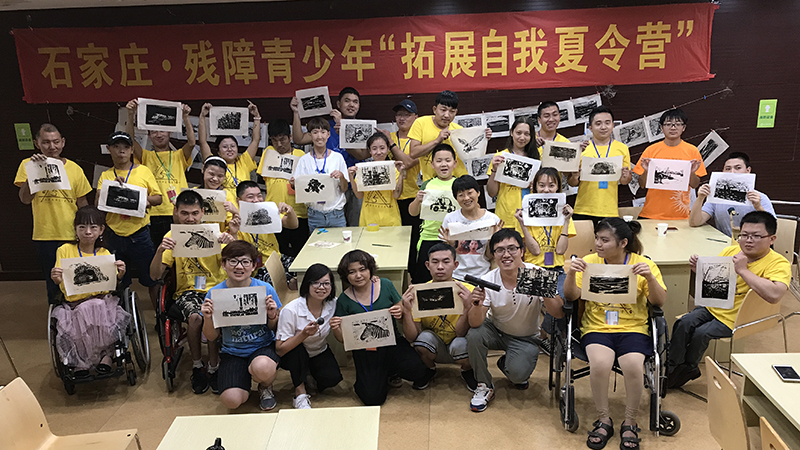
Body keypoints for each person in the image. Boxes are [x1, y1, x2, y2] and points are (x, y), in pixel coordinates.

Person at [564, 218, 667, 450]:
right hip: (597, 327)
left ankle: (630, 422)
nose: (598, 244)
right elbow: (571, 296)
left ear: (623, 243)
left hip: (633, 328)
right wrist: (571, 274)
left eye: (604, 240)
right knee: (600, 364)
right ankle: (604, 419)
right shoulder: (589, 262)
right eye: (597, 239)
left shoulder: (643, 264)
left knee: (633, 365)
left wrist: (650, 278)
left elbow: (659, 302)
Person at [668, 211, 790, 389]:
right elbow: (716, 281)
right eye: (744, 235)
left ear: (772, 239)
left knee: (701, 333)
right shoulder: (731, 251)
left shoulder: (779, 263)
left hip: (741, 317)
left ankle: (688, 369)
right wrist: (700, 270)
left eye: (756, 236)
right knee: (684, 323)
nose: (748, 241)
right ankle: (673, 367)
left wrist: (743, 270)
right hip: (715, 306)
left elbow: (775, 295)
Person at [466, 229, 561, 412]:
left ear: (522, 251)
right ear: (493, 255)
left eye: (512, 248)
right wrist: (476, 304)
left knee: (518, 376)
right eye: (500, 250)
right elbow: (475, 323)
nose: (506, 254)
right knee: (474, 335)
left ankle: (507, 363)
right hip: (495, 330)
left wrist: (545, 291)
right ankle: (484, 385)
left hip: (526, 337)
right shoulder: (488, 279)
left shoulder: (537, 273)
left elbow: (558, 313)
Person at [150, 190, 234, 394]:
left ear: (203, 212)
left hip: (216, 288)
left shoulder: (215, 233)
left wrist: (231, 242)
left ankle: (214, 366)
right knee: (196, 318)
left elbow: (235, 263)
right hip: (187, 291)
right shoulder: (171, 237)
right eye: (185, 213)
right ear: (176, 212)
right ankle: (197, 366)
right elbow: (155, 275)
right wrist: (160, 250)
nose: (190, 218)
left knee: (212, 315)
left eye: (195, 213)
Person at [331, 250, 429, 406]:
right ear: (345, 275)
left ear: (370, 269)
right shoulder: (344, 299)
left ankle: (390, 372)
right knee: (372, 398)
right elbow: (343, 340)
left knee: (418, 370)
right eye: (352, 272)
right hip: (365, 350)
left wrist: (401, 311)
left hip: (392, 342)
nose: (358, 275)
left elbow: (401, 312)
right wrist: (336, 328)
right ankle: (379, 376)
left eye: (362, 269)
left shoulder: (386, 284)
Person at [15, 123, 92, 304]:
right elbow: (25, 199)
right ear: (37, 144)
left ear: (63, 142)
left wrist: (89, 231)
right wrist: (35, 170)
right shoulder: (28, 165)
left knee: (78, 281)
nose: (52, 146)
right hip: (45, 235)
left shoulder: (75, 168)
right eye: (46, 142)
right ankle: (58, 318)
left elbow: (82, 204)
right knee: (54, 284)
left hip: (73, 235)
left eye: (56, 142)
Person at [201, 241, 282, 410]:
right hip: (232, 351)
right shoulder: (214, 293)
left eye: (245, 262)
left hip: (262, 346)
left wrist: (272, 315)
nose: (239, 267)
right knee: (231, 400)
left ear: (253, 266)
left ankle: (265, 386)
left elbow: (274, 328)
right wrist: (208, 318)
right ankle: (242, 379)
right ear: (223, 264)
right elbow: (211, 336)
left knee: (262, 367)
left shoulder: (265, 289)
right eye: (233, 261)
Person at [50, 206, 128, 377]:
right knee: (82, 315)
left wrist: (120, 274)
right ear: (75, 229)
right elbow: (59, 280)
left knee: (98, 308)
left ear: (101, 230)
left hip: (102, 301)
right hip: (75, 303)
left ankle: (106, 356)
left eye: (93, 227)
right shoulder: (64, 250)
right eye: (82, 227)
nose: (87, 232)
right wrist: (55, 277)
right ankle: (80, 362)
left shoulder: (104, 253)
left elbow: (112, 283)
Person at [96, 132, 162, 309]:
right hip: (114, 235)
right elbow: (98, 204)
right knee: (118, 280)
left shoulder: (143, 171)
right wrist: (112, 189)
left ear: (132, 150)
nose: (121, 151)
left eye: (125, 147)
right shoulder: (106, 175)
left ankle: (158, 315)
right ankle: (122, 315)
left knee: (152, 279)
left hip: (139, 234)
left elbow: (158, 198)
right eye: (116, 147)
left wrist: (142, 200)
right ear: (109, 149)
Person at [399, 243, 478, 391]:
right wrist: (407, 311)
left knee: (462, 343)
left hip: (459, 344)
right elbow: (411, 337)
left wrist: (468, 307)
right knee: (422, 340)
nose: (440, 267)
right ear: (427, 265)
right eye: (435, 262)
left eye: (446, 262)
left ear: (455, 265)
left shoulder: (469, 291)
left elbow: (460, 333)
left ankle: (467, 370)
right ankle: (429, 369)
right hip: (434, 344)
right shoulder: (419, 292)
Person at [515, 167, 576, 348]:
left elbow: (560, 250)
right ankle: (550, 335)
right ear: (534, 187)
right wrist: (523, 224)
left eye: (551, 185)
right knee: (550, 297)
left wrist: (566, 221)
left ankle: (545, 333)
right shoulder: (525, 213)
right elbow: (534, 251)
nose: (546, 190)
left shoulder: (564, 214)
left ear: (558, 188)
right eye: (541, 185)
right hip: (532, 269)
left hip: (557, 270)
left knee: (565, 298)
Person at [292, 87, 369, 226]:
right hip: (330, 187)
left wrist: (343, 130)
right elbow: (299, 139)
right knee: (333, 225)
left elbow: (362, 154)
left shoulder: (361, 128)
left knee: (355, 225)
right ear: (338, 104)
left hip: (355, 184)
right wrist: (296, 113)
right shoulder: (326, 127)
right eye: (347, 101)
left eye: (355, 102)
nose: (351, 105)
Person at [126, 99, 196, 244]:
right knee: (157, 251)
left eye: (162, 131)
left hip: (178, 211)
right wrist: (130, 114)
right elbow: (130, 141)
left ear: (170, 132)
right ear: (149, 136)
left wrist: (186, 117)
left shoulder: (179, 155)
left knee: (179, 250)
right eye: (154, 132)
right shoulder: (146, 156)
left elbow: (191, 142)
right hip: (153, 213)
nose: (159, 134)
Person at [275, 263, 343, 409]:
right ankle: (300, 393)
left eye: (326, 283)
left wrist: (372, 280)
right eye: (316, 283)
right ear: (307, 284)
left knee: (332, 379)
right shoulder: (291, 310)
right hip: (293, 353)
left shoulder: (334, 303)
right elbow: (280, 350)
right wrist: (303, 334)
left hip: (318, 350)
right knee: (297, 351)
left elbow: (351, 297)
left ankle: (309, 374)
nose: (321, 287)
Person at [633, 108, 707, 220]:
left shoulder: (692, 151)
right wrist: (647, 171)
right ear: (661, 128)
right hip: (651, 213)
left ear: (683, 128)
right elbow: (642, 185)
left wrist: (691, 172)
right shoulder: (651, 150)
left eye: (677, 124)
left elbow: (694, 185)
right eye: (668, 124)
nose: (673, 127)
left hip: (680, 215)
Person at [408, 90, 491, 182]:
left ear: (456, 112)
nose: (447, 115)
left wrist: (483, 138)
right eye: (443, 110)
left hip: (457, 181)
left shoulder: (458, 130)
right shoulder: (421, 123)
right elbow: (413, 153)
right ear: (435, 109)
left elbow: (471, 152)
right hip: (432, 182)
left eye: (452, 111)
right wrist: (437, 141)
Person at [688, 152, 776, 237]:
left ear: (748, 170)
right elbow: (694, 222)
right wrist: (700, 198)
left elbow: (773, 228)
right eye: (728, 169)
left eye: (738, 168)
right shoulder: (715, 197)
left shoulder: (760, 198)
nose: (732, 172)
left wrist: (758, 207)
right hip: (724, 244)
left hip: (751, 244)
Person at [230, 180, 298, 289]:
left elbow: (293, 225)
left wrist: (290, 212)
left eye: (259, 196)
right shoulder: (235, 220)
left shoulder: (267, 212)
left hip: (276, 259)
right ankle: (289, 282)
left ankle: (290, 281)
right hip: (256, 268)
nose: (256, 200)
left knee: (303, 268)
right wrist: (233, 232)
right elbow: (235, 252)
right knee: (268, 280)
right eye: (250, 197)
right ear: (239, 200)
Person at [256, 119, 309, 256]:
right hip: (273, 212)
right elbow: (262, 176)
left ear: (290, 137)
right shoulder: (268, 151)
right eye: (274, 140)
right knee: (277, 252)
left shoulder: (301, 155)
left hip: (298, 212)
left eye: (282, 139)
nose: (279, 144)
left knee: (301, 252)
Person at [571, 107, 632, 224]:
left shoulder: (622, 148)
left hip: (609, 210)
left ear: (613, 125)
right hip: (583, 209)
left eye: (607, 123)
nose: (603, 127)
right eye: (598, 123)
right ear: (590, 128)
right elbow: (572, 182)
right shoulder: (582, 149)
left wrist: (626, 176)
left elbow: (624, 182)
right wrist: (574, 176)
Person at [409, 144, 458, 283]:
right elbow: (413, 213)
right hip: (428, 237)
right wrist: (417, 200)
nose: (444, 164)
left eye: (448, 160)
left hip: (453, 238)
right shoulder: (427, 185)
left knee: (450, 279)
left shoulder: (459, 185)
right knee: (425, 280)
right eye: (439, 161)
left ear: (454, 163)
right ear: (432, 164)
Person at [292, 117, 349, 232]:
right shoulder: (304, 160)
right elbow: (298, 188)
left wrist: (342, 176)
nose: (319, 136)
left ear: (328, 134)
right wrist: (294, 184)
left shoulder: (337, 157)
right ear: (309, 135)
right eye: (315, 132)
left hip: (336, 213)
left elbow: (344, 188)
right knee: (317, 243)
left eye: (323, 132)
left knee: (340, 243)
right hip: (315, 214)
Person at [440, 175, 502, 279]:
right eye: (461, 195)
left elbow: (489, 256)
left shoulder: (492, 219)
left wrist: (493, 240)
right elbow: (445, 256)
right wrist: (451, 244)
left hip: (483, 275)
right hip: (457, 275)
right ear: (456, 198)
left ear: (478, 192)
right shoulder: (450, 218)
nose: (466, 198)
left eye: (470, 193)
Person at [387, 99, 422, 274]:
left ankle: (414, 276)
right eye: (399, 115)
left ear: (416, 117)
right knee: (393, 240)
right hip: (390, 198)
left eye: (407, 115)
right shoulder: (388, 137)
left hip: (413, 197)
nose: (402, 118)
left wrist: (391, 144)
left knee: (413, 240)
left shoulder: (419, 141)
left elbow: (408, 162)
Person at [198, 102, 262, 198]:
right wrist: (202, 116)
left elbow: (255, 140)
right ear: (218, 151)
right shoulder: (213, 163)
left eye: (233, 146)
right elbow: (202, 142)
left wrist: (256, 117)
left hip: (244, 205)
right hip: (223, 205)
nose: (229, 149)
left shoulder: (244, 161)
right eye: (225, 147)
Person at [486, 117, 539, 228]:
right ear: (511, 132)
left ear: (531, 136)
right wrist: (494, 170)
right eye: (518, 133)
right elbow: (491, 193)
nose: (522, 137)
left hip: (531, 214)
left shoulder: (537, 157)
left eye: (527, 134)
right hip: (507, 216)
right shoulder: (500, 157)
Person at [349, 132, 406, 227]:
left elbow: (396, 195)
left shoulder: (394, 169)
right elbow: (359, 196)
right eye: (374, 149)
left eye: (382, 148)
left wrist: (401, 174)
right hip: (368, 220)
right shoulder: (363, 170)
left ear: (388, 149)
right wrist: (351, 177)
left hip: (391, 219)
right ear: (370, 151)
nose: (379, 152)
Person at [196, 156, 240, 233]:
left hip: (220, 237)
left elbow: (232, 223)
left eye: (220, 176)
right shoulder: (193, 192)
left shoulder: (227, 195)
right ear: (203, 170)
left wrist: (235, 212)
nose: (215, 179)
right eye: (211, 174)